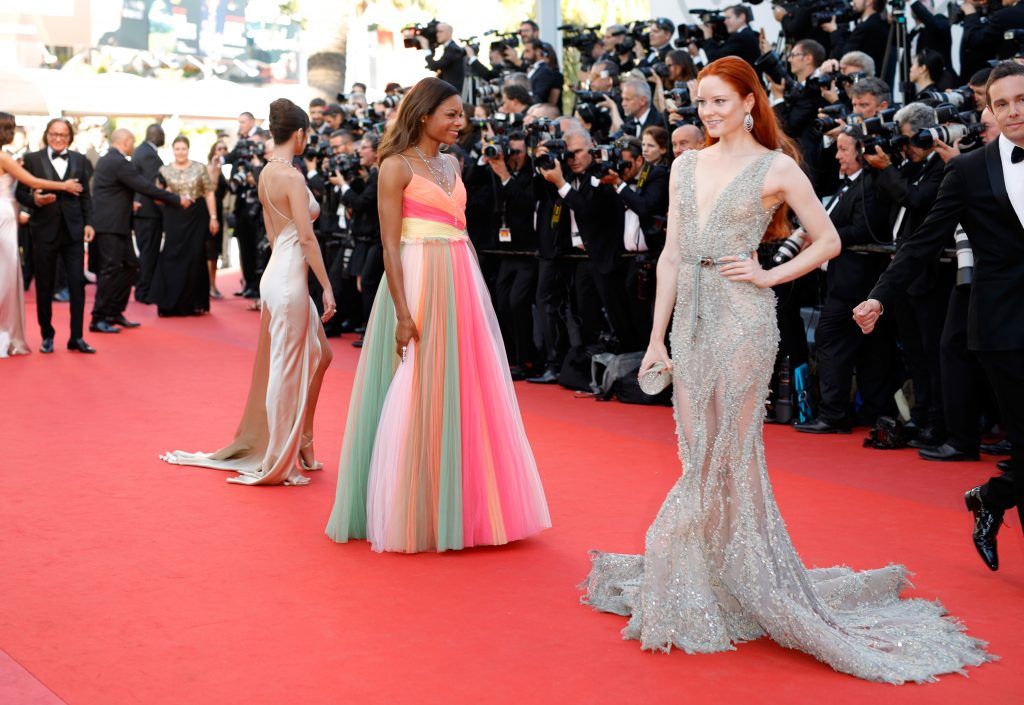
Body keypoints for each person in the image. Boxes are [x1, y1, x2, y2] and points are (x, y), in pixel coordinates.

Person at [581, 57, 991, 682]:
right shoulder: (685, 166)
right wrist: (657, 338)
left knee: (728, 451)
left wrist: (769, 274)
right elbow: (669, 255)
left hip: (745, 321)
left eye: (721, 101)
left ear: (750, 102)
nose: (710, 113)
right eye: (701, 103)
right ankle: (721, 574)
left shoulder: (776, 167)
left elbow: (827, 240)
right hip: (689, 321)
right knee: (698, 452)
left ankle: (692, 565)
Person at [326, 77, 550, 553]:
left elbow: (462, 226)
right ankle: (413, 507)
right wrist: (403, 314)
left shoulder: (453, 162)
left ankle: (465, 504)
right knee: (417, 385)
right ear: (424, 114)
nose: (459, 123)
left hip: (459, 277)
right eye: (450, 114)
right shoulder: (394, 167)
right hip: (416, 277)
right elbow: (389, 243)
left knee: (464, 386)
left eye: (461, 115)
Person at [854, 61, 1024, 572]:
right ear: (988, 110)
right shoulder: (969, 170)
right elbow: (923, 242)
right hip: (1003, 326)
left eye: (1022, 99)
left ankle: (992, 497)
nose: (1014, 111)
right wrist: (881, 296)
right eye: (1003, 104)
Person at [160, 98, 336, 486]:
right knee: (286, 371)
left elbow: (275, 235)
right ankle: (279, 457)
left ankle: (301, 437)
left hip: (279, 274)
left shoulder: (267, 174)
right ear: (301, 133)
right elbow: (306, 238)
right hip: (290, 280)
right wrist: (326, 286)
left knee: (322, 354)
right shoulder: (291, 178)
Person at [1, 113, 84, 356]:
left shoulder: (12, 158)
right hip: (16, 219)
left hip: (71, 231)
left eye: (63, 134)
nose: (58, 138)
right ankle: (29, 335)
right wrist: (58, 189)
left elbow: (87, 196)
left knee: (75, 284)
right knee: (10, 279)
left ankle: (76, 337)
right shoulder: (15, 158)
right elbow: (28, 186)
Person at [91, 129, 187, 334]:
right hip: (110, 225)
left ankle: (114, 312)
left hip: (118, 224)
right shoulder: (118, 162)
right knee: (110, 270)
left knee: (130, 266)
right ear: (126, 141)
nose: (134, 146)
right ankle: (98, 317)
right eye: (132, 142)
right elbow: (145, 187)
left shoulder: (110, 159)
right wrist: (178, 199)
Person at [148, 136, 217, 317]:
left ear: (188, 149)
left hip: (197, 216)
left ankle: (193, 303)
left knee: (195, 256)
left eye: (183, 148)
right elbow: (157, 196)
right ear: (172, 150)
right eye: (177, 148)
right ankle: (169, 303)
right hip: (174, 217)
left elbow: (209, 193)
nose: (180, 152)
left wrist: (213, 217)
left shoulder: (199, 168)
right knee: (172, 255)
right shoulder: (164, 170)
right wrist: (166, 194)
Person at [131, 124, 166, 304]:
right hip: (149, 212)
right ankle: (144, 292)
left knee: (146, 251)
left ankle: (142, 289)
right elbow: (152, 187)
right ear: (156, 135)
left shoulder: (141, 151)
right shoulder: (149, 155)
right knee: (148, 252)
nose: (164, 137)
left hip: (142, 212)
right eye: (163, 134)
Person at [206, 140, 229, 299]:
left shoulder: (222, 169)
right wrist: (214, 169)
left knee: (216, 252)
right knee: (210, 251)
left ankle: (213, 284)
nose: (222, 151)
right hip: (210, 213)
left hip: (220, 212)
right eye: (219, 148)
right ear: (213, 151)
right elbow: (211, 190)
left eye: (225, 148)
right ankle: (210, 286)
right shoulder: (209, 168)